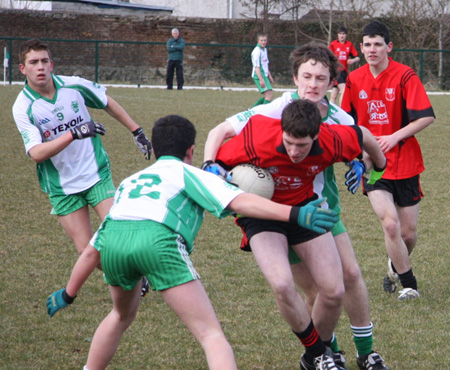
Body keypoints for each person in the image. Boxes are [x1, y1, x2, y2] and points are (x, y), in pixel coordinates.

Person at [46, 114, 340, 370]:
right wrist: (295, 214)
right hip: (157, 241)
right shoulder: (187, 172)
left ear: (157, 148)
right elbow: (242, 201)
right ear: (191, 150)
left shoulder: (130, 182)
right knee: (211, 335)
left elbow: (92, 249)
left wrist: (69, 293)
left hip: (114, 243)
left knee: (120, 315)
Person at [203, 42, 389, 370]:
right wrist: (212, 165)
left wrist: (362, 166)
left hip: (317, 207)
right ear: (295, 78)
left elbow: (363, 141)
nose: (313, 84)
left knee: (347, 277)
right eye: (307, 76)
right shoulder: (269, 117)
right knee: (308, 290)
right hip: (270, 210)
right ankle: (322, 353)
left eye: (321, 78)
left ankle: (360, 352)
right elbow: (222, 134)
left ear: (332, 81)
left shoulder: (338, 124)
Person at [12, 38, 152, 261]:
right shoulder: (23, 107)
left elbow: (105, 101)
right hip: (62, 186)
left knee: (119, 235)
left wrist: (137, 131)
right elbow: (36, 154)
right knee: (87, 253)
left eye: (44, 61)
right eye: (33, 62)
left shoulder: (73, 85)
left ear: (52, 64)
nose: (40, 67)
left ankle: (132, 276)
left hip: (95, 174)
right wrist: (74, 133)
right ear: (22, 68)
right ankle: (129, 278)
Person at [341, 21, 435, 302]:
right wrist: (358, 156)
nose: (372, 50)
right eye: (367, 45)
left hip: (406, 162)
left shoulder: (405, 76)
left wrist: (394, 137)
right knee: (390, 225)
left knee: (407, 235)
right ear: (361, 48)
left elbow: (426, 116)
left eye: (377, 44)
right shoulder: (354, 79)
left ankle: (395, 266)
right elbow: (346, 123)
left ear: (388, 47)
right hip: (373, 164)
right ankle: (409, 284)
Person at [329, 26, 360, 106]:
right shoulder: (333, 44)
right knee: (344, 90)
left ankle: (330, 113)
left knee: (334, 95)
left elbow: (357, 57)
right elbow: (327, 56)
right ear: (337, 35)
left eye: (343, 34)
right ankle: (343, 111)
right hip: (336, 72)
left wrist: (353, 60)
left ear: (346, 35)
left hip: (344, 72)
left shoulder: (349, 45)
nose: (342, 36)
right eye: (340, 34)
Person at [251, 32, 275, 105]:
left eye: (265, 40)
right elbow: (257, 67)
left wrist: (269, 76)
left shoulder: (264, 50)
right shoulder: (257, 51)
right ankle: (260, 113)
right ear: (258, 41)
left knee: (268, 96)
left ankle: (251, 111)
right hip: (258, 75)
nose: (263, 42)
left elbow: (265, 64)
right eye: (261, 40)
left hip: (264, 75)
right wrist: (261, 79)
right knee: (269, 96)